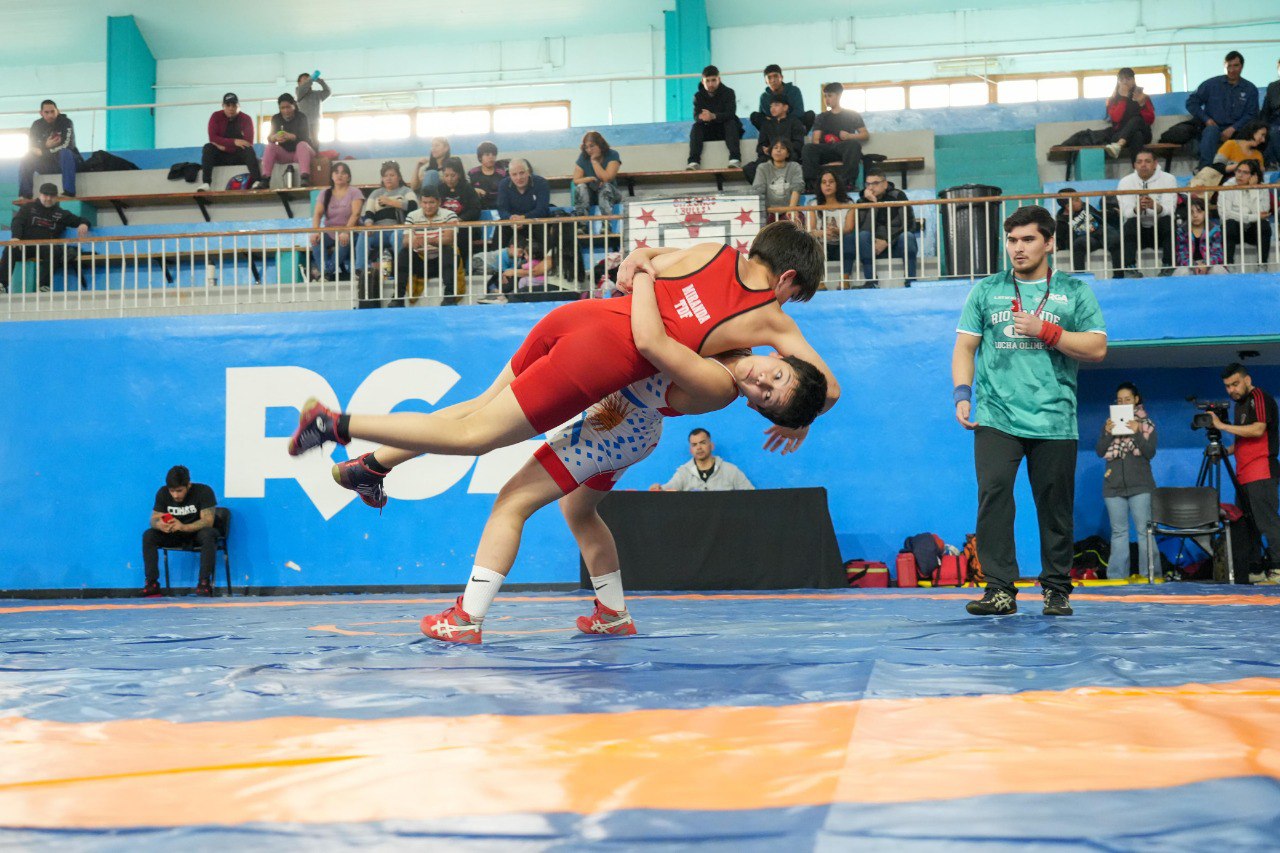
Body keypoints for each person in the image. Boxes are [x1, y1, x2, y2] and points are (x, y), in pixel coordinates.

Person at [331, 254, 826, 643]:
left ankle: (466, 617)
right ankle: (612, 614)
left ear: (756, 410)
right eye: (775, 375)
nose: (762, 381)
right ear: (780, 359)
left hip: (619, 422)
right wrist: (801, 411)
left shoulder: (720, 382)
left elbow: (652, 340)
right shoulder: (737, 339)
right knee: (579, 512)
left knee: (512, 498)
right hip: (623, 412)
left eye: (765, 397)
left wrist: (645, 273)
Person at [288, 221, 841, 470]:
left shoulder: (710, 250)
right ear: (789, 280)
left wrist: (640, 265)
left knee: (478, 406)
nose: (791, 306)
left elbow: (635, 266)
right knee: (477, 437)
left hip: (577, 316)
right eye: (797, 296)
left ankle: (374, 465)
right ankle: (337, 424)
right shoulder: (771, 321)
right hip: (604, 355)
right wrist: (799, 417)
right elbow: (829, 389)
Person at [952, 205, 1107, 616]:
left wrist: (1047, 330)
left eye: (1027, 239)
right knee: (994, 495)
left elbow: (1097, 347)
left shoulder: (1074, 292)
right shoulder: (986, 290)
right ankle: (1000, 589)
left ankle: (1057, 588)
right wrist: (962, 393)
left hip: (1055, 418)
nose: (1017, 248)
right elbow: (965, 346)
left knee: (1054, 506)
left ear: (1049, 242)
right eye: (1012, 240)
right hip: (997, 416)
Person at [1211, 363, 1280, 584]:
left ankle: (1278, 569)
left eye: (1235, 383)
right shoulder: (1239, 405)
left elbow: (1258, 430)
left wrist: (1222, 426)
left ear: (1247, 380)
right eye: (1227, 386)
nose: (1232, 389)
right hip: (1244, 475)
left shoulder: (1258, 396)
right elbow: (1244, 441)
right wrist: (1225, 451)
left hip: (1261, 471)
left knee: (1267, 522)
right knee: (1246, 525)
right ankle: (1256, 568)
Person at [1096, 382, 1157, 582]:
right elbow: (1100, 451)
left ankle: (1150, 576)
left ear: (1136, 400)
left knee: (1144, 531)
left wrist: (1136, 432)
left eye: (1127, 399)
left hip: (1140, 485)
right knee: (1119, 532)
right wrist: (1107, 433)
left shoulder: (1147, 423)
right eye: (1120, 400)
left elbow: (1149, 453)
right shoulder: (1109, 423)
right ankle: (1116, 578)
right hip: (1113, 486)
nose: (1123, 403)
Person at [141, 465, 218, 598]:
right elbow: (153, 519)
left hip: (196, 534)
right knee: (149, 535)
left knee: (208, 533)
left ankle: (204, 583)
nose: (175, 495)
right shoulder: (163, 493)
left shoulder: (204, 491)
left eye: (179, 491)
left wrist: (183, 526)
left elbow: (208, 521)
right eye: (172, 491)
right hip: (174, 534)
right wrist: (160, 525)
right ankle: (152, 584)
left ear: (188, 485)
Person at [0, 183, 90, 293]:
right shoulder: (28, 208)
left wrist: (84, 224)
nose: (48, 198)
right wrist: (15, 237)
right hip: (24, 246)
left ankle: (44, 286)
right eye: (45, 195)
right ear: (40, 195)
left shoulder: (61, 213)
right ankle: (2, 285)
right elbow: (17, 222)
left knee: (54, 251)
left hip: (46, 248)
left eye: (52, 196)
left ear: (56, 197)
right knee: (10, 249)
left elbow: (81, 220)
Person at [1057, 68, 1154, 160]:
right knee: (1136, 135)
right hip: (1120, 134)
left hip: (1144, 133)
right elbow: (1116, 118)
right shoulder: (1113, 100)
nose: (1125, 82)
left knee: (1137, 120)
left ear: (1133, 80)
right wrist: (1123, 98)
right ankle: (1138, 172)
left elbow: (1150, 120)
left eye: (1128, 78)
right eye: (1121, 79)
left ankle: (1119, 145)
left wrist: (1141, 104)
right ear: (1118, 82)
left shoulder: (1143, 97)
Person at [355, 161, 417, 300]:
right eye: (385, 175)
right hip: (379, 229)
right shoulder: (376, 193)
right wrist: (369, 224)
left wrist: (391, 202)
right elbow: (369, 213)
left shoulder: (406, 191)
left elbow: (414, 207)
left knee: (398, 236)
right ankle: (361, 271)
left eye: (392, 175)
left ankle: (402, 270)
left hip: (398, 227)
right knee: (364, 234)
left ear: (399, 177)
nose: (388, 178)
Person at [1186, 51, 1260, 168]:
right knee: (1210, 132)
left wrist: (1233, 128)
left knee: (1255, 135)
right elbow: (1191, 103)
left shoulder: (1250, 89)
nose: (1231, 70)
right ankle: (1205, 170)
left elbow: (1252, 114)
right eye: (1228, 66)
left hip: (1239, 129)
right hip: (1214, 126)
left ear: (1242, 66)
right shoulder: (1211, 84)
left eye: (1235, 65)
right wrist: (1206, 119)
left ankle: (1247, 170)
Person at [393, 188, 459, 307]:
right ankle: (398, 297)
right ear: (420, 202)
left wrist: (427, 240)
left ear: (439, 202)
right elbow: (405, 241)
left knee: (448, 250)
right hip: (420, 261)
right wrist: (413, 242)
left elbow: (449, 239)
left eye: (431, 202)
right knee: (404, 253)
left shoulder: (449, 215)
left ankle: (450, 297)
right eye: (425, 203)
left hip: (441, 261)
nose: (428, 206)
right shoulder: (412, 216)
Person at [1115, 150, 1177, 276]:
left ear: (1155, 164)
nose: (1143, 165)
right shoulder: (1125, 182)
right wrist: (1137, 209)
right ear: (1134, 165)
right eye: (1139, 162)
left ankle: (1168, 266)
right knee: (1130, 223)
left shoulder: (1168, 179)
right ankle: (1130, 268)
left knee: (1168, 221)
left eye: (1147, 161)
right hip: (1138, 233)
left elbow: (1170, 209)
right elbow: (1126, 213)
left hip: (1159, 230)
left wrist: (1155, 206)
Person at [854, 167, 917, 285]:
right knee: (862, 236)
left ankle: (910, 281)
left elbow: (910, 225)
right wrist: (874, 204)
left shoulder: (898, 196)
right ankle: (871, 282)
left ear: (885, 184)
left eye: (875, 183)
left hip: (896, 245)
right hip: (874, 249)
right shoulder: (862, 202)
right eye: (868, 184)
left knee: (907, 236)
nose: (871, 187)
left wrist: (887, 241)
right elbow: (864, 229)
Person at [801, 82, 869, 193]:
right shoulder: (822, 117)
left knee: (854, 144)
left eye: (830, 96)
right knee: (808, 148)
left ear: (839, 96)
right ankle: (812, 184)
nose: (827, 99)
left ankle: (848, 182)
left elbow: (865, 134)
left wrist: (849, 136)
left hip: (843, 150)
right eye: (825, 96)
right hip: (826, 150)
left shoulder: (852, 115)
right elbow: (816, 140)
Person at [650, 428, 755, 492]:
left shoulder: (731, 470)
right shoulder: (683, 472)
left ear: (711, 445)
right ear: (691, 450)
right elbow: (669, 488)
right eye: (694, 445)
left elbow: (751, 494)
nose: (699, 447)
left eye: (703, 442)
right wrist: (659, 488)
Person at [308, 162, 363, 281]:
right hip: (330, 230)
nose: (340, 175)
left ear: (348, 177)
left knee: (343, 241)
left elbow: (356, 214)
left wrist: (346, 232)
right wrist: (315, 231)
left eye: (343, 173)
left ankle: (325, 273)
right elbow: (317, 214)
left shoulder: (355, 192)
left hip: (350, 230)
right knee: (315, 241)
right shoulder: (325, 193)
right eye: (336, 172)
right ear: (332, 176)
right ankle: (326, 272)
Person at [19, 100, 83, 200]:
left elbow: (67, 145)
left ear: (58, 111)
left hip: (69, 162)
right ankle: (25, 194)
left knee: (65, 152)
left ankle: (69, 192)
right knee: (27, 157)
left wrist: (44, 151)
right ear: (41, 113)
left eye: (52, 111)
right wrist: (45, 145)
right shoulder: (36, 125)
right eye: (46, 112)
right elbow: (32, 147)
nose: (50, 115)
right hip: (48, 164)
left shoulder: (66, 122)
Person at [198, 93, 260, 192]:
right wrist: (235, 142)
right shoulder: (216, 116)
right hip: (221, 156)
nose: (231, 108)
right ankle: (206, 183)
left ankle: (257, 181)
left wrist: (225, 146)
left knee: (249, 149)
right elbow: (213, 138)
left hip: (238, 156)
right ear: (223, 106)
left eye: (234, 105)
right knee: (208, 147)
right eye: (228, 105)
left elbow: (248, 142)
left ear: (238, 106)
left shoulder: (246, 119)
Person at [1217, 160, 1274, 268]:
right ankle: (1228, 265)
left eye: (1245, 173)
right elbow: (1225, 214)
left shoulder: (1262, 188)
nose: (1240, 175)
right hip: (1234, 230)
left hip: (1252, 231)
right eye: (1238, 171)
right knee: (1229, 224)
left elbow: (1263, 213)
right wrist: (1253, 217)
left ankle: (1262, 265)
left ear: (1254, 175)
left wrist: (1252, 189)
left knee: (1264, 226)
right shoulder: (1227, 186)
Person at [687, 65, 742, 170]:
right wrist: (702, 117)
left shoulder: (729, 92)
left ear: (719, 80)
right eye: (707, 81)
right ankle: (693, 162)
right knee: (696, 126)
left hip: (726, 130)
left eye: (713, 80)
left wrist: (713, 116)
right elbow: (696, 116)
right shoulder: (698, 96)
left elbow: (730, 113)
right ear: (702, 81)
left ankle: (735, 159)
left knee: (731, 122)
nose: (710, 84)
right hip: (709, 130)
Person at [744, 94, 807, 184]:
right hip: (769, 157)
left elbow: (799, 144)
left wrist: (782, 149)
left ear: (785, 107)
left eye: (776, 105)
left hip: (789, 156)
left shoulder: (794, 122)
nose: (772, 108)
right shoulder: (767, 124)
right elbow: (759, 147)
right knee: (749, 169)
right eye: (771, 106)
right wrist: (767, 150)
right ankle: (769, 190)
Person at [1054, 189, 1121, 273]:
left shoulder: (1085, 206)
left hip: (1102, 234)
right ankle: (1080, 277)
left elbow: (1100, 216)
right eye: (1077, 199)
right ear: (1068, 206)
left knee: (1113, 237)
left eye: (1079, 198)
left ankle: (1119, 274)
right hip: (1088, 240)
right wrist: (1056, 246)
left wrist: (1114, 213)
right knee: (1079, 242)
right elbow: (1059, 239)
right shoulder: (1062, 221)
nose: (1081, 201)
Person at [258, 93, 314, 189]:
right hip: (285, 153)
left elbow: (305, 137)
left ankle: (305, 177)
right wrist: (274, 138)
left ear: (294, 105)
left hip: (301, 152)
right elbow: (269, 137)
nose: (286, 110)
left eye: (288, 107)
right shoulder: (276, 118)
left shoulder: (301, 117)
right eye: (282, 108)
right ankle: (265, 179)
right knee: (270, 146)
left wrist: (291, 136)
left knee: (302, 145)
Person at [808, 168, 856, 280]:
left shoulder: (848, 204)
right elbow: (811, 230)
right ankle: (819, 281)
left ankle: (845, 279)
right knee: (813, 241)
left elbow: (849, 229)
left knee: (850, 238)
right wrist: (822, 233)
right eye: (824, 182)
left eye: (831, 181)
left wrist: (837, 231)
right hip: (822, 245)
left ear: (837, 184)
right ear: (820, 186)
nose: (827, 185)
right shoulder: (813, 204)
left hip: (841, 245)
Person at [571, 131, 623, 218]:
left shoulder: (612, 154)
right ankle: (582, 225)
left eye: (592, 146)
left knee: (605, 186)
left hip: (611, 195)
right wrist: (590, 179)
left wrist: (594, 161)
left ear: (600, 145)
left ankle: (606, 225)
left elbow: (607, 178)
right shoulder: (583, 157)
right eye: (586, 147)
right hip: (592, 194)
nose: (589, 150)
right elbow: (576, 180)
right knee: (581, 187)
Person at [1173, 197, 1228, 275]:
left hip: (1209, 265)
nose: (1195, 215)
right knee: (1182, 271)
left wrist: (1205, 264)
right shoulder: (1182, 230)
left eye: (1199, 211)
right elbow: (1181, 255)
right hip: (1190, 266)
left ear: (1206, 213)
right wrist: (1194, 266)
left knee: (1217, 269)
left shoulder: (1215, 229)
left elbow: (1218, 254)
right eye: (1191, 212)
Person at [750, 64, 812, 132]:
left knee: (810, 115)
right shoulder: (764, 97)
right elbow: (763, 117)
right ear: (765, 81)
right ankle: (768, 137)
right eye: (769, 77)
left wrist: (782, 120)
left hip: (792, 125)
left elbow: (799, 111)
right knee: (754, 116)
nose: (773, 80)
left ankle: (799, 135)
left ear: (781, 77)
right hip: (773, 128)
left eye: (776, 76)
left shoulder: (794, 90)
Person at [751, 139, 804, 216]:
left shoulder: (795, 166)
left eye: (782, 148)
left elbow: (797, 187)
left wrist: (791, 209)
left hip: (790, 210)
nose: (778, 150)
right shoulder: (762, 168)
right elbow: (758, 190)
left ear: (788, 154)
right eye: (775, 148)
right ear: (770, 152)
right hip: (769, 212)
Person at [438, 157, 481, 224]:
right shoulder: (439, 189)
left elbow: (475, 210)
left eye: (453, 175)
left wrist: (460, 219)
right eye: (446, 175)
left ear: (459, 174)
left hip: (464, 227)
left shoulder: (467, 188)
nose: (449, 179)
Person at [469, 141, 507, 209]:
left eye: (493, 154)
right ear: (480, 157)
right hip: (478, 210)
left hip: (499, 210)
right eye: (487, 154)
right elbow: (464, 191)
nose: (491, 157)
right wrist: (473, 190)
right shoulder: (472, 173)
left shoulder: (503, 174)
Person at [1261, 59, 1280, 168]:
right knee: (1270, 132)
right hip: (1275, 122)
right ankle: (1271, 165)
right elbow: (1265, 112)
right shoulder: (1272, 87)